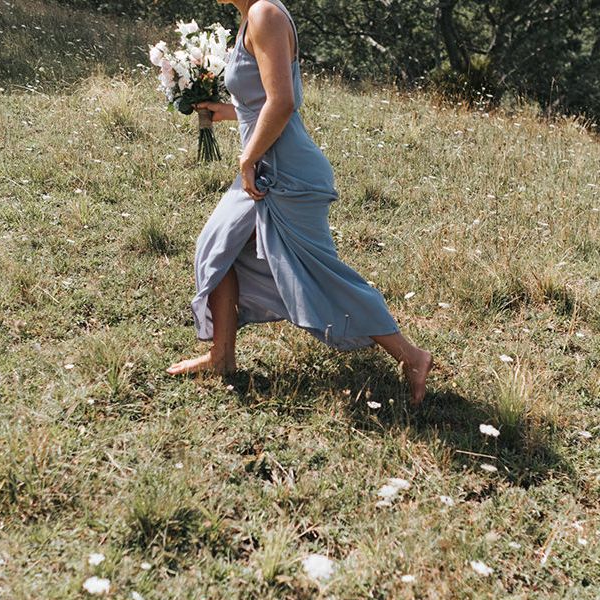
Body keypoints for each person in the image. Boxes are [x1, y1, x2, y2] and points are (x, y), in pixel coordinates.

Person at [166, 0, 433, 405]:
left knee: (320, 276)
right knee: (218, 246)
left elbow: (283, 101)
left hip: (285, 173)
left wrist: (248, 156)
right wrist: (225, 113)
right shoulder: (249, 19)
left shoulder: (265, 14)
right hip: (267, 169)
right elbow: (260, 101)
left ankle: (412, 357)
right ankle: (221, 357)